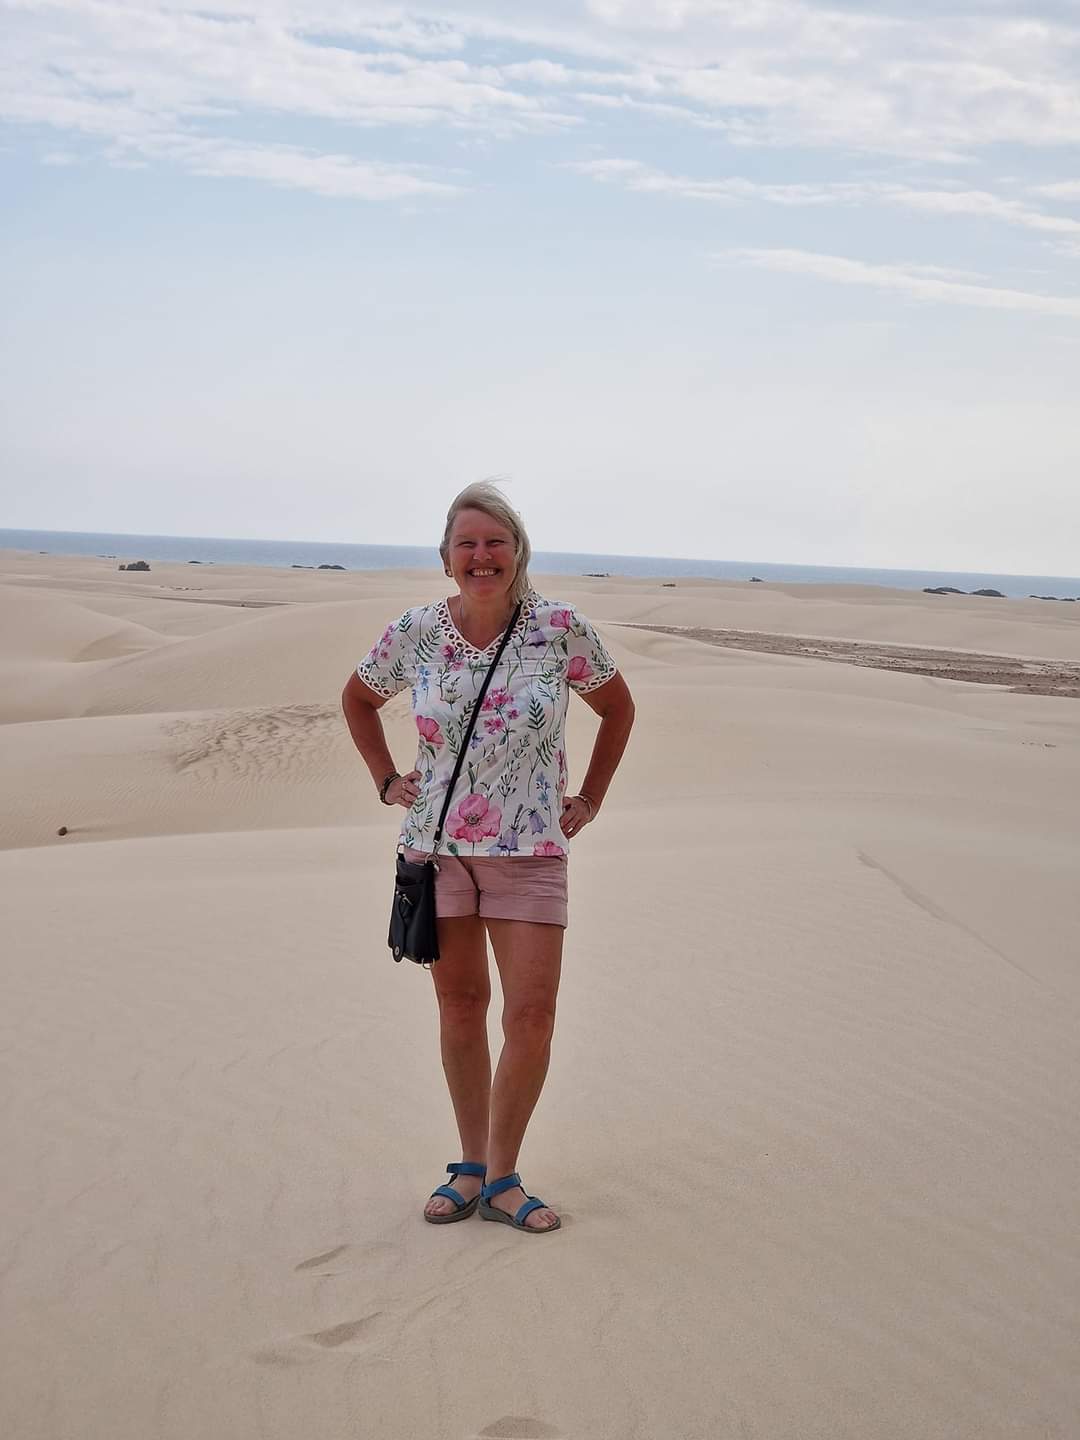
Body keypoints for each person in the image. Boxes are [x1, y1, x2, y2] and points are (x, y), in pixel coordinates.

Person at [341, 482, 635, 1233]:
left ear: (517, 554)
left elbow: (618, 707)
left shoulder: (560, 629)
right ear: (446, 558)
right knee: (461, 1007)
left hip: (532, 850)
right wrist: (386, 781)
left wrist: (591, 797)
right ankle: (470, 1165)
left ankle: (504, 1175)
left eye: (495, 542)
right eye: (467, 544)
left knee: (531, 1016)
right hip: (437, 852)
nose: (481, 556)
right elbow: (358, 698)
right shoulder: (415, 632)